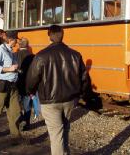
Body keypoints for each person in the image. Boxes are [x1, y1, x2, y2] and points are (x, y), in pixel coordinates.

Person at [26, 25, 89, 155]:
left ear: (49, 36)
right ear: (62, 35)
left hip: (49, 102)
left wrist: (30, 91)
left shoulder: (41, 56)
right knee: (65, 129)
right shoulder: (75, 55)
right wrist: (79, 95)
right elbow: (84, 78)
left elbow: (32, 79)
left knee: (56, 134)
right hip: (70, 100)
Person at [15, 38, 36, 131]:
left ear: (19, 45)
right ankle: (27, 123)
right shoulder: (33, 56)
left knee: (16, 103)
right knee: (27, 104)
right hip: (28, 84)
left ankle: (18, 119)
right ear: (27, 45)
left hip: (16, 83)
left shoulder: (14, 55)